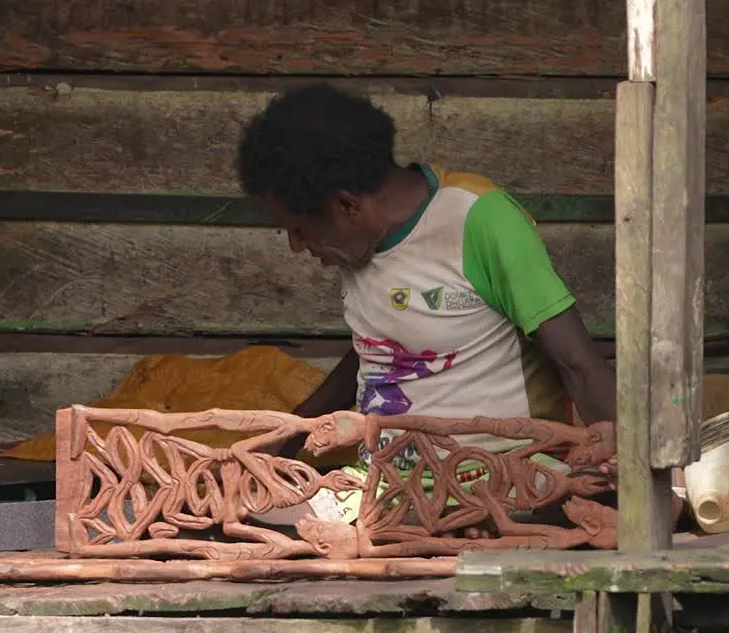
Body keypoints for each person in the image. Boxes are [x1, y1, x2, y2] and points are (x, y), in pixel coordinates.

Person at [235, 83, 617, 526]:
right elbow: (380, 352)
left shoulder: (478, 219)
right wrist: (289, 435)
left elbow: (579, 364)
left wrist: (635, 482)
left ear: (347, 205)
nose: (296, 246)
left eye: (300, 228)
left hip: (509, 479)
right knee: (239, 516)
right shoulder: (360, 245)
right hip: (387, 487)